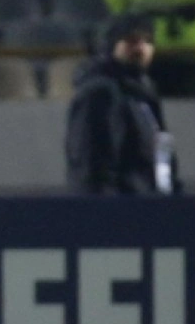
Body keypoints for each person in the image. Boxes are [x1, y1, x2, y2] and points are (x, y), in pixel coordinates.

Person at [65, 13, 181, 196]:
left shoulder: (144, 95)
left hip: (150, 205)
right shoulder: (100, 93)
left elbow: (160, 159)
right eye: (131, 40)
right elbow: (92, 165)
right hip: (122, 208)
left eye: (148, 41)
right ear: (111, 44)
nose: (141, 48)